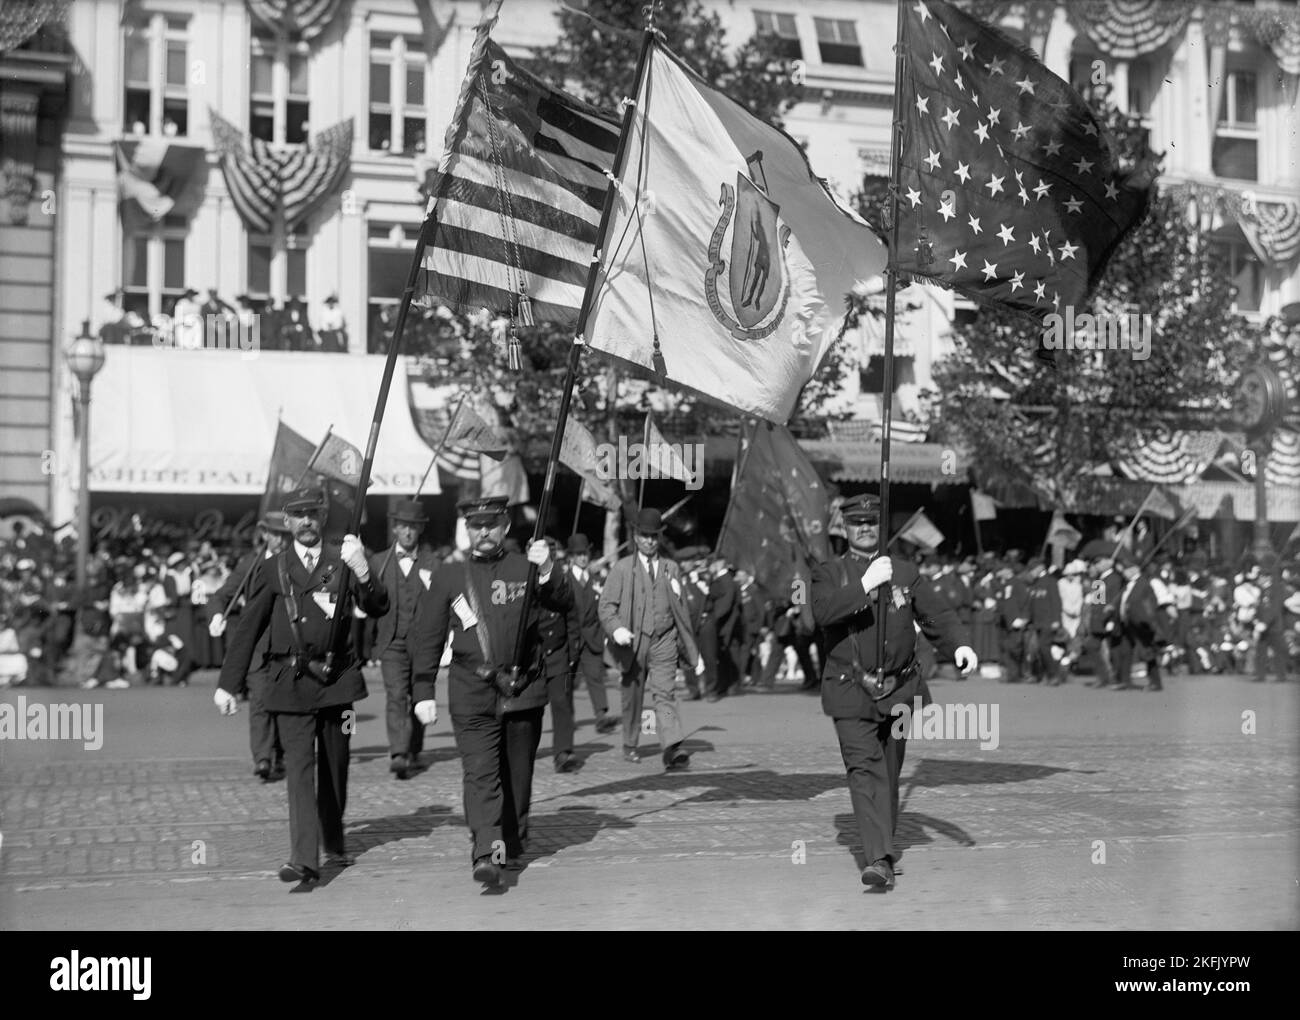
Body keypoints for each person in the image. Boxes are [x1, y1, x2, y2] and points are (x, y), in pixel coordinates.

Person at [213, 487, 389, 887]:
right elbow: (249, 627)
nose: (307, 520)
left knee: (335, 767)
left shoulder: (341, 559)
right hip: (289, 683)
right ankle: (304, 859)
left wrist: (363, 570)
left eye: (313, 513)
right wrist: (228, 683)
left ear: (322, 518)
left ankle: (333, 836)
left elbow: (379, 605)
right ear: (287, 522)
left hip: (339, 685)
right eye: (299, 514)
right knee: (298, 771)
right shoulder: (273, 568)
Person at [810, 494, 977, 890]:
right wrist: (865, 584)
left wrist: (958, 645)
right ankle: (879, 858)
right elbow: (821, 612)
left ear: (880, 528)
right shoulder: (827, 573)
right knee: (864, 770)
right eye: (857, 523)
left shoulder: (904, 571)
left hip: (900, 689)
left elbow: (935, 613)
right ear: (844, 528)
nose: (865, 528)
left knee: (888, 770)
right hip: (851, 689)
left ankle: (882, 845)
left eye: (872, 522)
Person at [408, 496, 573, 887]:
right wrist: (423, 690)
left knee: (518, 776)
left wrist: (548, 567)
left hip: (522, 691)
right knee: (481, 774)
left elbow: (565, 603)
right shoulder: (448, 575)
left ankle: (510, 839)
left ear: (506, 527)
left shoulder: (526, 567)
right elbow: (428, 635)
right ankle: (487, 852)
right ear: (467, 530)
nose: (484, 532)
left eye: (492, 524)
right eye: (476, 525)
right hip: (472, 690)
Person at [598, 507, 704, 768]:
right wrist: (616, 629)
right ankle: (630, 742)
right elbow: (606, 606)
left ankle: (672, 747)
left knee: (665, 695)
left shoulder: (671, 568)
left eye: (654, 536)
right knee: (632, 697)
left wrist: (692, 649)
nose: (649, 541)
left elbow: (681, 612)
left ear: (659, 538)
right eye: (644, 536)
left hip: (664, 641)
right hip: (633, 642)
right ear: (635, 537)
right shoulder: (623, 569)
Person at [210, 512, 292, 781]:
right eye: (274, 534)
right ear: (265, 534)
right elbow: (222, 595)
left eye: (283, 534)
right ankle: (263, 758)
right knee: (259, 700)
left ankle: (280, 753)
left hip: (289, 644)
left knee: (282, 701)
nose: (279, 540)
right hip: (257, 644)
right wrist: (216, 614)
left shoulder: (297, 563)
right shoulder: (249, 564)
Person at [368, 499, 440, 780]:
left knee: (419, 694)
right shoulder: (379, 562)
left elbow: (440, 602)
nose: (408, 532)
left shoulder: (433, 563)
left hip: (423, 643)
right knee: (396, 694)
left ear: (420, 530)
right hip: (392, 641)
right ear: (395, 528)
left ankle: (415, 748)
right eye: (403, 526)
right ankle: (399, 752)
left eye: (413, 527)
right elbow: (367, 600)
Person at [564, 534, 620, 733]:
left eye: (585, 553)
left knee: (595, 677)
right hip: (571, 640)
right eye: (578, 554)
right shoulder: (564, 580)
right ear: (571, 557)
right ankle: (567, 719)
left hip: (592, 638)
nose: (583, 558)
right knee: (568, 682)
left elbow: (603, 608)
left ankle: (601, 716)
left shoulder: (596, 580)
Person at [1113, 555, 1168, 692]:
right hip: (1125, 622)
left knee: (1147, 652)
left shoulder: (1143, 583)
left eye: (1124, 569)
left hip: (1140, 623)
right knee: (1125, 651)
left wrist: (1148, 620)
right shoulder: (1117, 582)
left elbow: (1149, 604)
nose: (1122, 572)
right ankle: (1124, 680)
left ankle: (1155, 682)